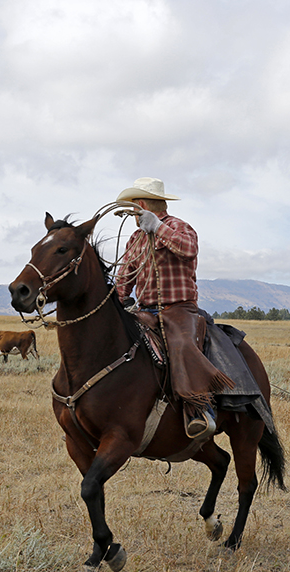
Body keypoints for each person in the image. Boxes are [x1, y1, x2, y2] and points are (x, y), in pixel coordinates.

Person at [115, 177, 233, 438]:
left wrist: (157, 227)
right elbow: (125, 275)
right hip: (145, 310)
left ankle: (200, 409)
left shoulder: (180, 227)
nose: (132, 214)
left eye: (133, 207)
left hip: (179, 309)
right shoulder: (135, 238)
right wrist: (118, 300)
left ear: (142, 205)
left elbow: (188, 249)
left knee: (181, 345)